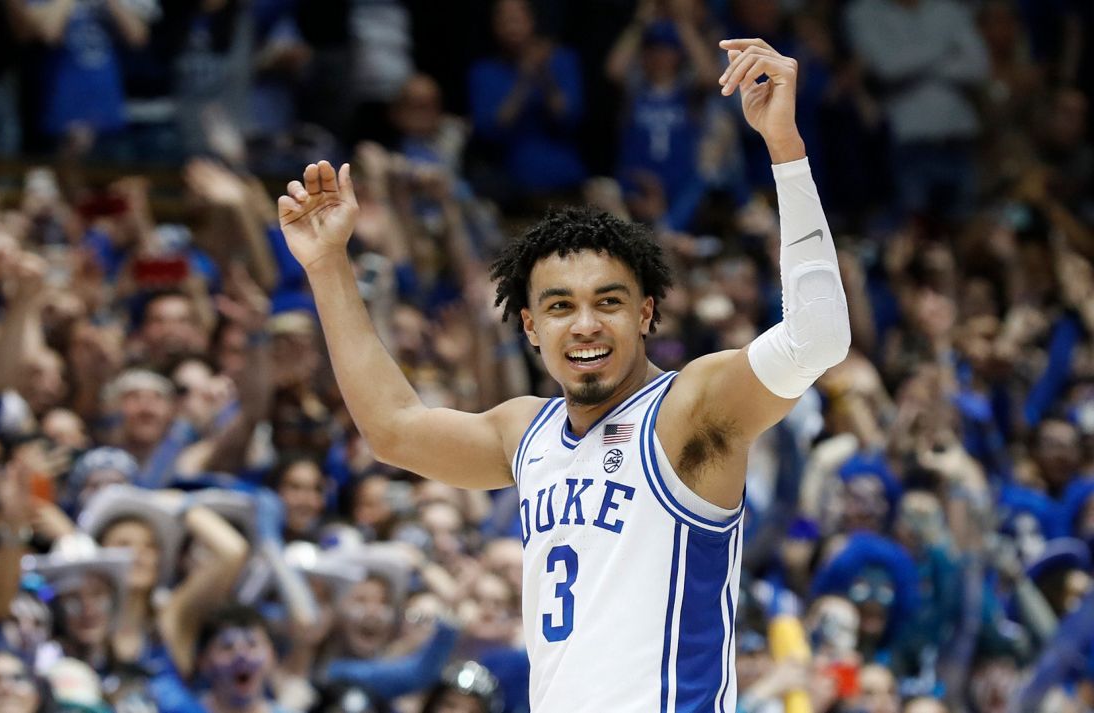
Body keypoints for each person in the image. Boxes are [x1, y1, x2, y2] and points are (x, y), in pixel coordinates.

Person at [277, 36, 849, 712]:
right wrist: (327, 266)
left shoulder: (689, 410)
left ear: (646, 312)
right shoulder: (525, 430)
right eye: (559, 306)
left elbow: (818, 336)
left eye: (608, 301)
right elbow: (394, 430)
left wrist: (784, 147)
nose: (584, 324)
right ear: (528, 327)